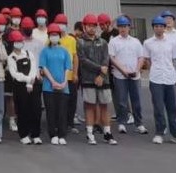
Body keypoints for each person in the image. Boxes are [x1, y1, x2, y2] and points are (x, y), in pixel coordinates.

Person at [143, 16, 176, 145]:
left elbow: (174, 59)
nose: (159, 28)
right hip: (156, 79)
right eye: (156, 26)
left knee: (172, 107)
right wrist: (154, 69)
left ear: (164, 28)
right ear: (153, 28)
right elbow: (147, 60)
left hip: (170, 78)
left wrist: (171, 71)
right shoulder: (148, 43)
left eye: (161, 26)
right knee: (158, 107)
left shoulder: (171, 43)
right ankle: (159, 133)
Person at [77, 14, 117, 146]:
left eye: (94, 26)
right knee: (90, 106)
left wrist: (101, 76)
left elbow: (106, 59)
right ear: (84, 26)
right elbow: (83, 60)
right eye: (89, 26)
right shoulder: (80, 42)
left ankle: (107, 133)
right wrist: (99, 69)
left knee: (105, 106)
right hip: (88, 79)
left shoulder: (103, 42)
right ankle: (90, 133)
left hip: (103, 80)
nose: (92, 28)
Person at [108, 16, 147, 135]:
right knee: (121, 101)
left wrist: (137, 70)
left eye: (125, 26)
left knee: (136, 101)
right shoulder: (114, 41)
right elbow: (112, 58)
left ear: (129, 27)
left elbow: (141, 57)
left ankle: (139, 124)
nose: (123, 29)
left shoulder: (135, 41)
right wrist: (122, 70)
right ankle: (121, 122)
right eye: (120, 26)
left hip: (135, 75)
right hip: (120, 76)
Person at [38, 23, 72, 145]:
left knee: (62, 111)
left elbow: (67, 68)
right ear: (49, 36)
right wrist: (52, 81)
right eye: (52, 35)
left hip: (63, 86)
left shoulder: (64, 51)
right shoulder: (44, 51)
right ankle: (53, 134)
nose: (54, 37)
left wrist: (64, 82)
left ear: (59, 36)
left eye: (56, 34)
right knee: (51, 111)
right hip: (48, 87)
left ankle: (62, 134)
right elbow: (44, 67)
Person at [7, 29, 42, 145]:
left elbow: (33, 68)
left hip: (33, 84)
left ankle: (35, 135)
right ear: (12, 43)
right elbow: (15, 74)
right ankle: (24, 134)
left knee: (36, 110)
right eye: (17, 41)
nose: (19, 43)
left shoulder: (28, 53)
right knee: (22, 110)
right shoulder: (11, 58)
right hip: (20, 87)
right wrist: (27, 80)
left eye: (20, 41)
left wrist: (30, 82)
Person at [54, 14, 79, 135]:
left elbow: (75, 57)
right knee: (58, 101)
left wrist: (75, 73)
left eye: (63, 23)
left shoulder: (72, 39)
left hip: (69, 76)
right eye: (59, 23)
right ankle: (58, 124)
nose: (61, 26)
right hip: (57, 76)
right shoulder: (52, 39)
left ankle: (70, 123)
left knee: (71, 100)